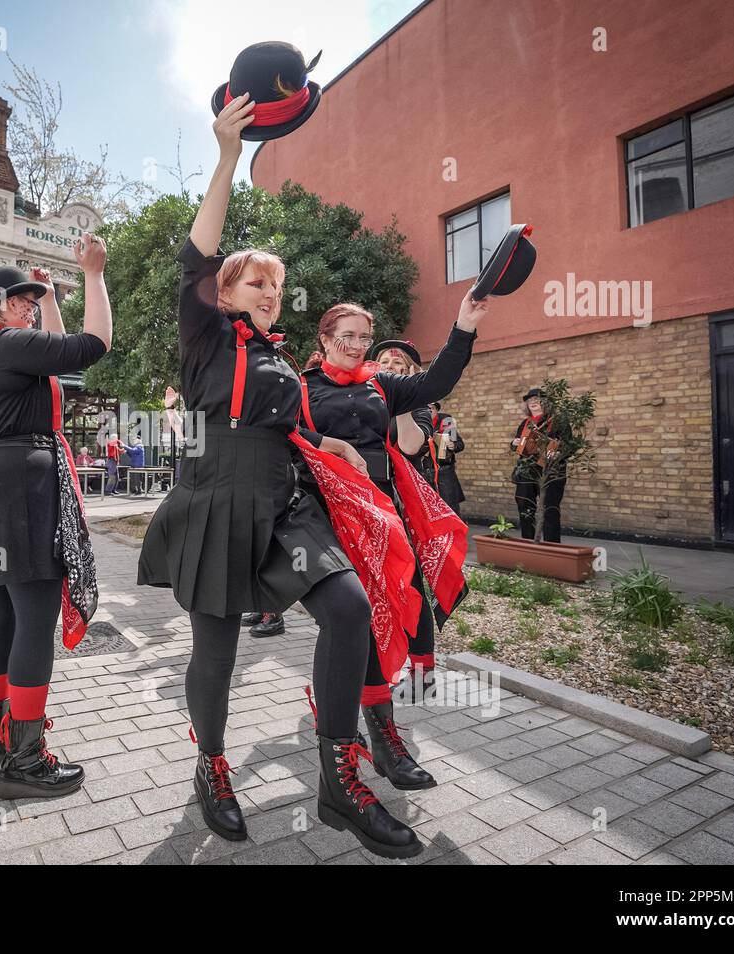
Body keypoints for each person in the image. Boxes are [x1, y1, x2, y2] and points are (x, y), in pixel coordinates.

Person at [137, 94, 423, 857]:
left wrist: (335, 446)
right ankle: (212, 766)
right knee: (217, 657)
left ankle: (339, 777)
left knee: (350, 606)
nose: (269, 290)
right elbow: (197, 252)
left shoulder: (276, 356)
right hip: (215, 504)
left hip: (285, 504)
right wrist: (229, 156)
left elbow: (292, 428)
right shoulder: (204, 338)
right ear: (226, 294)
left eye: (276, 282)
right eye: (254, 282)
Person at [0, 243, 111, 799]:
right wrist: (93, 276)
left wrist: (55, 295)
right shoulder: (9, 344)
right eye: (24, 300)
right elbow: (91, 347)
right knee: (35, 617)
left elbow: (59, 351)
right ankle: (25, 760)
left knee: (0, 608)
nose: (32, 307)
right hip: (18, 482)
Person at [301, 303, 484, 789]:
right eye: (347, 336)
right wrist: (324, 442)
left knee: (389, 613)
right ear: (324, 338)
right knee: (357, 618)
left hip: (387, 515)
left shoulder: (380, 383)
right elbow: (281, 433)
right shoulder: (298, 387)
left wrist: (463, 322)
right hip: (333, 519)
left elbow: (436, 384)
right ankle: (377, 740)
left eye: (364, 337)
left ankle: (380, 739)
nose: (357, 345)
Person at [511, 388, 569, 542]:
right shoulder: (525, 423)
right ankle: (528, 542)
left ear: (546, 403)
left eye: (537, 400)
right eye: (530, 401)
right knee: (524, 504)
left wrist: (558, 453)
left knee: (550, 509)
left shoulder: (558, 421)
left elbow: (568, 445)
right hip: (527, 470)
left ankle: (552, 545)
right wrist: (514, 443)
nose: (533, 403)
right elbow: (518, 445)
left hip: (551, 471)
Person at [424, 401, 465, 515]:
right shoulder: (419, 423)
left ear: (436, 410)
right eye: (425, 408)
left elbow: (460, 445)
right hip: (425, 472)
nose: (428, 411)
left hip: (444, 471)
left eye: (431, 408)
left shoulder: (446, 422)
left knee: (449, 506)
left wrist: (453, 445)